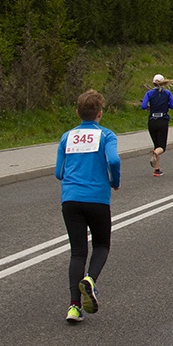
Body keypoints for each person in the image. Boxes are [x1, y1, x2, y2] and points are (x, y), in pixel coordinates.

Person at [55, 89, 121, 323]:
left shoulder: (67, 137)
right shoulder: (106, 135)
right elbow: (113, 160)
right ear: (100, 114)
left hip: (70, 199)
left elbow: (58, 172)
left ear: (77, 113)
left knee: (77, 253)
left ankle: (73, 307)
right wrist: (114, 180)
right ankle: (90, 280)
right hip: (97, 199)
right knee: (101, 245)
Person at [140, 74, 173, 177]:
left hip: (152, 121)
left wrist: (150, 106)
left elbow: (143, 106)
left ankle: (157, 169)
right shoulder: (167, 93)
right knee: (161, 148)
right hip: (163, 121)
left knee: (156, 145)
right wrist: (165, 105)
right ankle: (155, 154)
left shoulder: (149, 93)